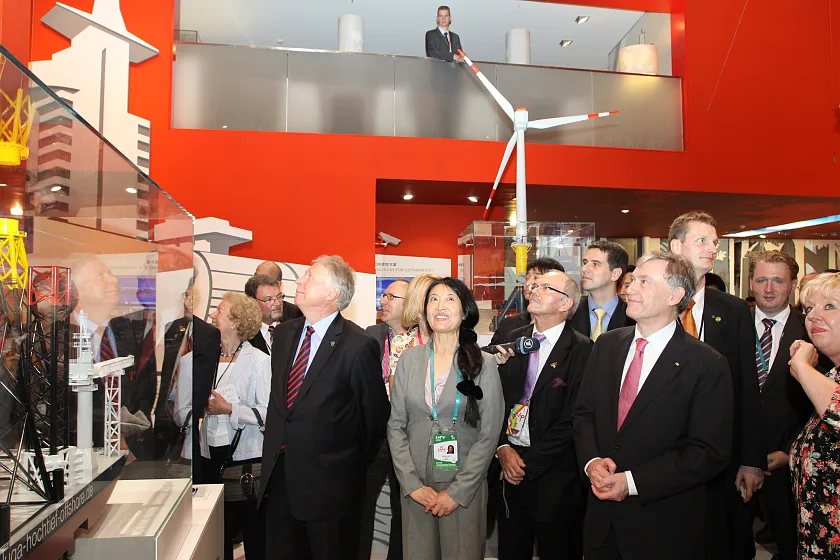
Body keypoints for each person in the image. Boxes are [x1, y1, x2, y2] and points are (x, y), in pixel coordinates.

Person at [573, 251, 733, 559]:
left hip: (663, 528)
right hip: (600, 526)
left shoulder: (706, 364)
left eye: (644, 282)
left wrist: (631, 482)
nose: (630, 289)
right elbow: (584, 414)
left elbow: (708, 453)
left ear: (676, 295)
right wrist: (592, 462)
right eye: (633, 281)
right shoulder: (607, 345)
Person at [258, 256, 389, 559]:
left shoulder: (358, 345)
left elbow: (373, 421)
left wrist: (341, 465)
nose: (299, 281)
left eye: (310, 277)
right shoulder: (285, 334)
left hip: (329, 491)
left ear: (332, 293)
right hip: (278, 481)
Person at [667, 211, 764, 560]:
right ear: (676, 246)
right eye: (702, 241)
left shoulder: (734, 310)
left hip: (720, 457)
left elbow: (747, 388)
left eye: (715, 242)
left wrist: (752, 460)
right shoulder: (653, 305)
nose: (713, 249)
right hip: (664, 456)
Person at [387, 277, 504, 559]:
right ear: (424, 309)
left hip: (464, 487)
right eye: (433, 299)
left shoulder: (483, 364)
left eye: (450, 299)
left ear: (465, 311)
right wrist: (412, 485)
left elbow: (489, 433)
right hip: (417, 486)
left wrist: (458, 492)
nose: (440, 306)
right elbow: (395, 426)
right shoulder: (409, 360)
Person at [494, 270, 592, 559]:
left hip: (555, 476)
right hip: (508, 468)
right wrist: (502, 448)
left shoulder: (582, 349)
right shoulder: (514, 338)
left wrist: (526, 461)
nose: (534, 290)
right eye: (535, 285)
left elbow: (574, 417)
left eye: (546, 287)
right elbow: (497, 399)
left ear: (565, 304)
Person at [740, 251, 812, 560]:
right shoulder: (730, 325)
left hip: (788, 463)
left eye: (778, 281)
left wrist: (790, 451)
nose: (769, 288)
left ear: (793, 285)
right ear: (751, 284)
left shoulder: (813, 329)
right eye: (762, 280)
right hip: (736, 462)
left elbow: (819, 403)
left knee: (790, 544)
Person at [191, 293, 269, 560]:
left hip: (245, 458)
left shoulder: (259, 361)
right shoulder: (205, 359)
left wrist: (230, 409)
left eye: (219, 311)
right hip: (208, 455)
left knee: (253, 532)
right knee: (216, 530)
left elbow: (270, 413)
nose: (212, 315)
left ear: (236, 322)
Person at [69, 255, 155, 459]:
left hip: (133, 455)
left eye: (111, 274)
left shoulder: (131, 332)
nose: (113, 280)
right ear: (75, 291)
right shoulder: (54, 340)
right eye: (100, 275)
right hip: (76, 456)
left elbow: (144, 391)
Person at [357, 278, 412, 560]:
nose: (383, 301)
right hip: (373, 436)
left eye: (392, 297)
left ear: (410, 304)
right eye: (384, 296)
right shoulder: (370, 335)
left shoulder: (421, 342)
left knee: (403, 508)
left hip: (407, 437)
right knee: (362, 505)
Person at [788, 272, 840, 559]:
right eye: (809, 309)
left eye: (829, 306)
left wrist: (802, 367)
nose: (813, 316)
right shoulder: (831, 375)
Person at [154, 276, 195, 461]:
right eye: (185, 296)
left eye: (192, 298)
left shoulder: (210, 335)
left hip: (190, 416)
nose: (186, 302)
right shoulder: (173, 328)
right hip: (166, 414)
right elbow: (167, 374)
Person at [490, 258, 566, 346]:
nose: (528, 283)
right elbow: (491, 355)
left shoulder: (573, 327)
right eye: (527, 278)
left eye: (536, 277)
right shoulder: (508, 325)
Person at [570, 241, 633, 341]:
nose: (584, 269)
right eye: (585, 263)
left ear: (615, 274)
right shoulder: (568, 313)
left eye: (595, 264)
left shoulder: (633, 318)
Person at [245, 274, 286, 355]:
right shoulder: (244, 332)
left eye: (279, 297)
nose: (277, 303)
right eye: (269, 299)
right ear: (253, 302)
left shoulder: (294, 329)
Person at [401, 273, 439, 347]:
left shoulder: (457, 339)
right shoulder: (402, 342)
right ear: (415, 301)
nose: (439, 303)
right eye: (432, 297)